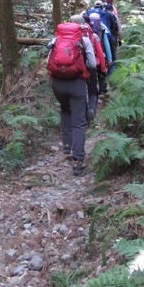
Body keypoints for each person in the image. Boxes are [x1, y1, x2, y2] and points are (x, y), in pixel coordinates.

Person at [48, 16, 97, 176]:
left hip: (57, 84)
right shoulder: (84, 39)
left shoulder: (55, 39)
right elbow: (91, 64)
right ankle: (78, 161)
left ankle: (67, 146)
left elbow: (49, 62)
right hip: (76, 84)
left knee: (65, 110)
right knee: (79, 122)